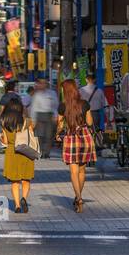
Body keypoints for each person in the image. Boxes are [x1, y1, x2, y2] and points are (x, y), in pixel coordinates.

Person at [57, 78, 96, 212]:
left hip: (71, 137)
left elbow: (60, 125)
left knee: (73, 172)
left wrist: (57, 134)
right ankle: (78, 196)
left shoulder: (62, 106)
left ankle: (78, 198)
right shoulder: (84, 104)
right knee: (81, 170)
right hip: (85, 137)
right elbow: (90, 123)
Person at [0, 94, 36, 214]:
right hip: (25, 152)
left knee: (15, 182)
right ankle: (24, 198)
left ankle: (17, 205)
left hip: (12, 153)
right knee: (26, 180)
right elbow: (31, 135)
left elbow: (4, 141)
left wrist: (1, 137)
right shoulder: (28, 122)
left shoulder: (4, 122)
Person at [29, 79, 58, 158]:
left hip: (50, 115)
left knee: (49, 135)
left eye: (44, 83)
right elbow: (34, 108)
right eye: (41, 83)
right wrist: (33, 120)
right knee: (40, 135)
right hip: (39, 115)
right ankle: (41, 151)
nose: (42, 85)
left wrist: (55, 115)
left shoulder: (52, 93)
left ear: (46, 84)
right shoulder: (37, 95)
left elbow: (55, 105)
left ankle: (46, 153)